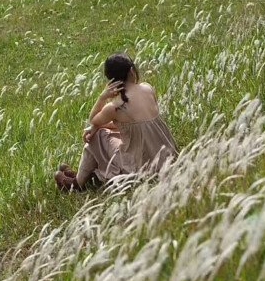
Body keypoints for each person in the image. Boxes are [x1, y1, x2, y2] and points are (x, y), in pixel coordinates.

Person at [54, 52, 177, 191]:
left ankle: (77, 182)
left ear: (111, 81)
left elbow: (93, 119)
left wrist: (101, 98)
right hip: (166, 157)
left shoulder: (116, 107)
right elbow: (135, 127)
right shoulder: (147, 88)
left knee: (97, 136)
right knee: (103, 132)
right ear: (132, 71)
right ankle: (88, 174)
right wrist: (98, 126)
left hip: (140, 167)